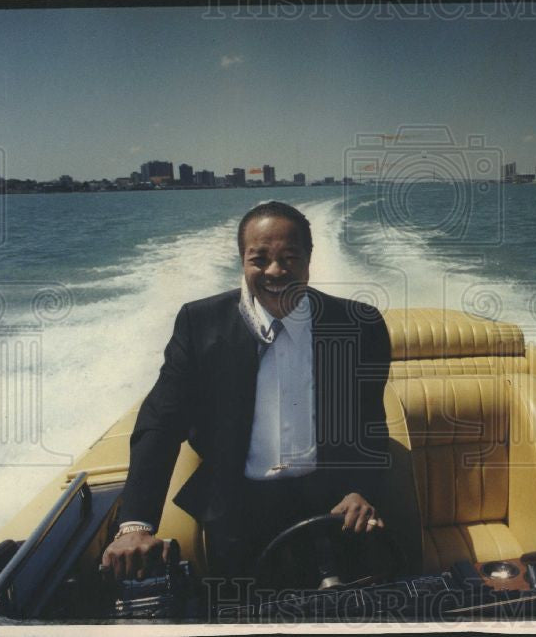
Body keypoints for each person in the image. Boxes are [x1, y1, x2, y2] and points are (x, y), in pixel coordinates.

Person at [101, 201, 391, 586]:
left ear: (309, 259)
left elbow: (369, 421)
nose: (275, 271)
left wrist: (360, 488)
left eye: (290, 257)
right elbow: (161, 420)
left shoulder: (359, 325)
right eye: (260, 259)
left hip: (334, 506)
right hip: (239, 508)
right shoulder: (200, 324)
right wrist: (134, 524)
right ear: (242, 260)